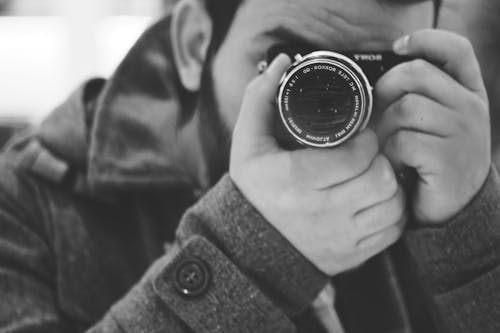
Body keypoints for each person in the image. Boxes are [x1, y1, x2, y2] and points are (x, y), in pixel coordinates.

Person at [0, 0, 498, 332]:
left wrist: (472, 240)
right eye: (294, 66)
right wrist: (253, 253)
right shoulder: (23, 205)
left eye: (368, 72)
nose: (333, 110)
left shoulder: (426, 172)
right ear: (195, 44)